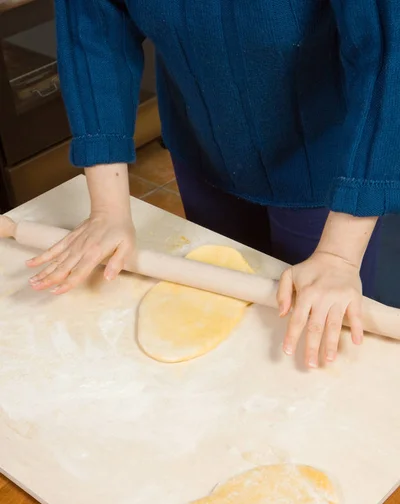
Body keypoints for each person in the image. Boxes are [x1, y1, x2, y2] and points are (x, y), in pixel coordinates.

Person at [28, 0, 400, 368]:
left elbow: (387, 52)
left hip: (330, 170)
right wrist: (108, 208)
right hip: (201, 144)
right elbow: (93, 27)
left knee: (316, 345)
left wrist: (339, 256)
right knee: (229, 334)